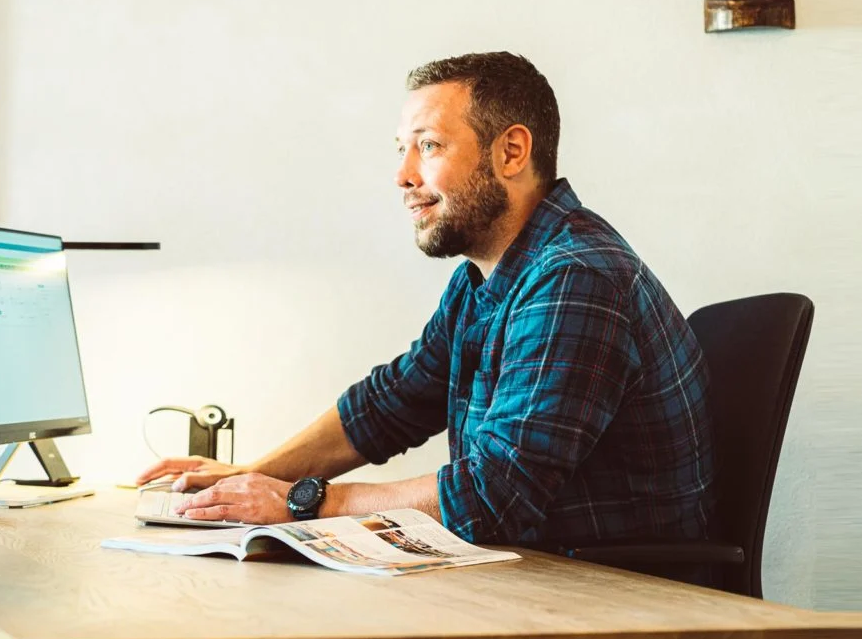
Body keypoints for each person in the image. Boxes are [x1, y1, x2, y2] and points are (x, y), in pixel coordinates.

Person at [137, 52, 714, 562]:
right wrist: (253, 476)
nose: (403, 175)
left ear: (511, 151)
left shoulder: (576, 277)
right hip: (531, 574)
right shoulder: (485, 277)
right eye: (401, 150)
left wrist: (303, 502)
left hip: (614, 596)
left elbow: (495, 494)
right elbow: (392, 404)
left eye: (429, 146)